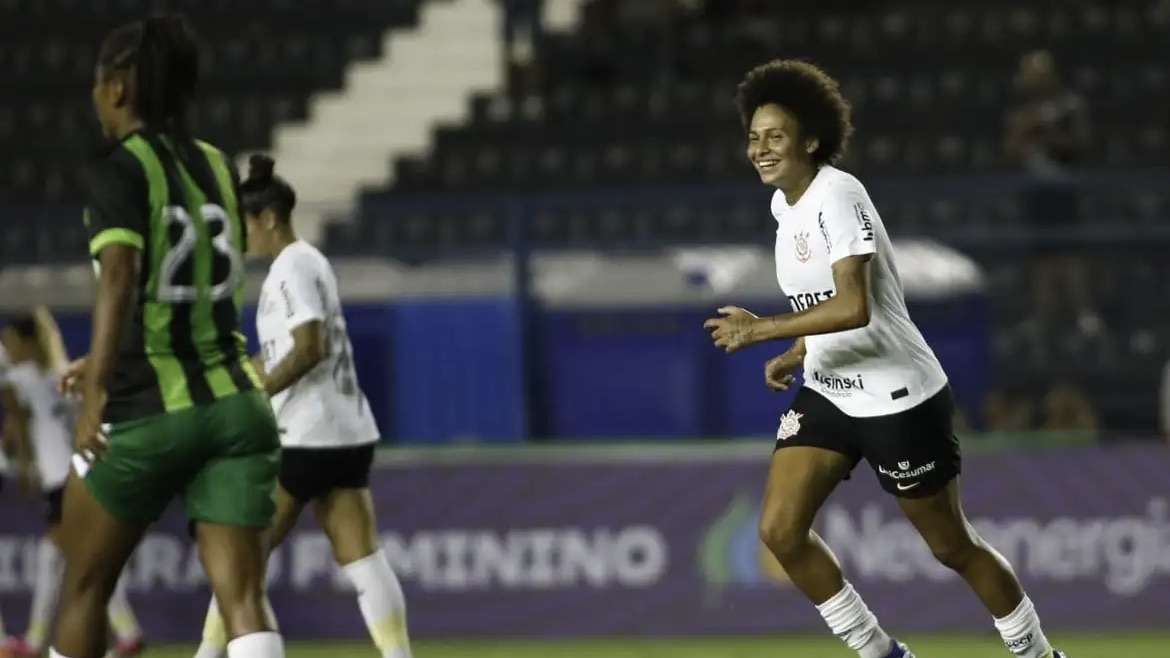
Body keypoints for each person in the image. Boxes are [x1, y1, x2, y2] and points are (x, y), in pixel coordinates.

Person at [703, 59, 1068, 658]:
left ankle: (1039, 654)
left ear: (811, 140)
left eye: (775, 136)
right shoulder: (783, 208)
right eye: (753, 137)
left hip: (897, 396)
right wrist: (799, 348)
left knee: (952, 546)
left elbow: (854, 307)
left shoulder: (838, 194)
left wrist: (763, 330)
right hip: (829, 386)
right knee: (779, 531)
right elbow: (822, 302)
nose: (760, 149)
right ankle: (883, 654)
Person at [51, 15, 284, 658]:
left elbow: (122, 278)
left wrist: (97, 389)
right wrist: (95, 356)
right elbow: (192, 292)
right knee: (243, 597)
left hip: (148, 413)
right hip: (237, 405)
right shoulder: (215, 165)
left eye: (98, 83)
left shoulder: (119, 169)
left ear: (118, 89)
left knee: (85, 586)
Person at [191, 156, 411, 658]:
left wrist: (256, 393)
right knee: (362, 558)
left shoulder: (290, 267)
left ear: (267, 218)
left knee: (240, 554)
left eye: (242, 226)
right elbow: (282, 352)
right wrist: (239, 376)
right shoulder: (310, 262)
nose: (240, 239)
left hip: (304, 438)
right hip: (347, 434)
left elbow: (309, 347)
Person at [0, 311, 145, 658]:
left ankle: (39, 643)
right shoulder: (66, 377)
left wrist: (22, 464)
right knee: (72, 559)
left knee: (75, 563)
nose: (7, 350)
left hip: (61, 481)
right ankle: (124, 633)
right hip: (85, 476)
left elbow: (13, 414)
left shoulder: (25, 379)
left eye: (9, 343)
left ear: (26, 344)